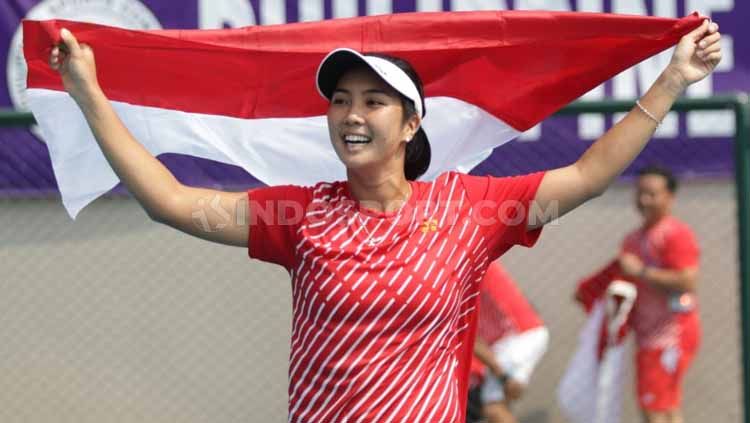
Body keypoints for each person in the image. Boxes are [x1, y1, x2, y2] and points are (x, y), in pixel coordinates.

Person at [48, 17, 720, 422]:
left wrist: (671, 80)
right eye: (341, 100)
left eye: (373, 101)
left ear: (411, 123)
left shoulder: (471, 209)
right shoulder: (299, 213)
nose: (351, 114)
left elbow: (589, 175)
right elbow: (171, 201)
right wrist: (89, 94)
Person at [579, 166, 700, 423]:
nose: (644, 200)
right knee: (664, 406)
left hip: (670, 335)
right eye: (640, 193)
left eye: (652, 194)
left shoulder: (675, 234)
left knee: (654, 409)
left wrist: (642, 271)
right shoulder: (633, 239)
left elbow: (687, 281)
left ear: (669, 197)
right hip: (647, 335)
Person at [468, 261, 548, 423]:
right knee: (495, 407)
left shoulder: (454, 269)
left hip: (517, 337)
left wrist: (503, 376)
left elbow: (470, 337)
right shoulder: (474, 256)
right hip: (522, 335)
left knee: (494, 408)